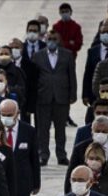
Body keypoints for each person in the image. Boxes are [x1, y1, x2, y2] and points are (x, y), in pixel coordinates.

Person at [32, 30, 77, 166]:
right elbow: (34, 78)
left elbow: (71, 76)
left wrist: (73, 94)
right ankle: (43, 154)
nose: (52, 41)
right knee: (43, 128)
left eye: (54, 39)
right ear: (46, 40)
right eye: (49, 39)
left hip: (61, 97)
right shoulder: (37, 56)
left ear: (58, 40)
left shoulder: (67, 55)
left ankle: (61, 155)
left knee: (60, 129)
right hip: (43, 97)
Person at [65, 116, 108, 193]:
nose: (100, 134)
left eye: (104, 131)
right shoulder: (80, 148)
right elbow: (70, 173)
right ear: (92, 131)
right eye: (97, 131)